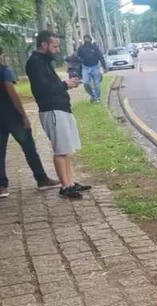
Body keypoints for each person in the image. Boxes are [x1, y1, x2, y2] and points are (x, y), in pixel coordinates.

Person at [25, 30, 92, 199]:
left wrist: (68, 84)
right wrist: (65, 84)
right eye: (55, 46)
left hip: (62, 108)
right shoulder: (35, 63)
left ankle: (70, 181)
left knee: (66, 149)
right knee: (60, 150)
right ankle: (65, 186)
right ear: (44, 45)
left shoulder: (44, 61)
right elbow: (42, 89)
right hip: (52, 110)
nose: (57, 49)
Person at [0, 47, 58, 198]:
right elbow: (13, 94)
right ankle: (41, 179)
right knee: (29, 148)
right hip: (12, 116)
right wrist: (23, 115)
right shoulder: (5, 71)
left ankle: (2, 186)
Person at [76, 34, 107, 103]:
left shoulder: (95, 47)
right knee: (86, 83)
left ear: (90, 39)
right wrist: (79, 60)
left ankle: (97, 98)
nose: (86, 39)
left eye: (87, 38)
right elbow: (77, 57)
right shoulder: (81, 48)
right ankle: (93, 95)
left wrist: (104, 67)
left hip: (95, 67)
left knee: (97, 84)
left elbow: (100, 56)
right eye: (85, 38)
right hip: (85, 68)